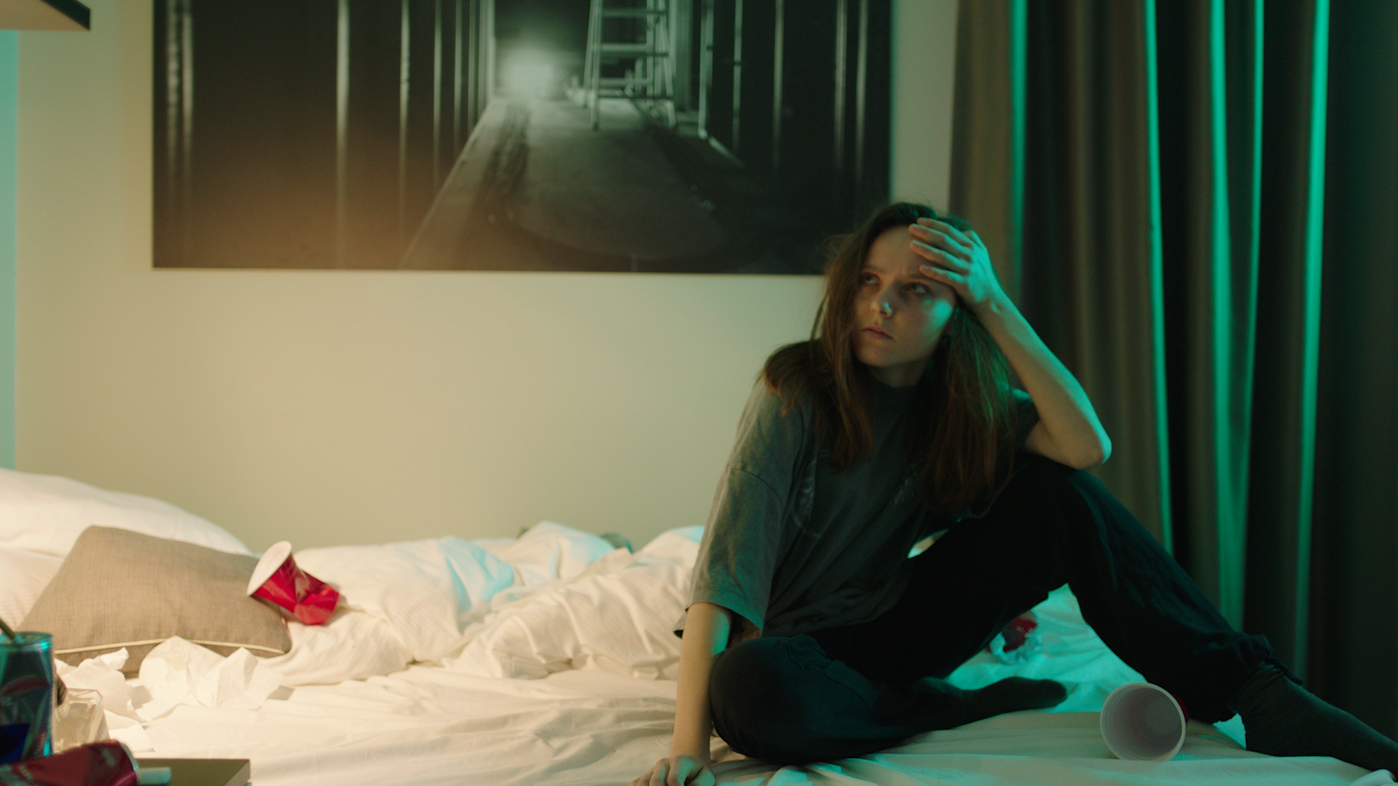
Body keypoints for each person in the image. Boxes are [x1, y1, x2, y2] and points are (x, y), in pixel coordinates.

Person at [631, 202, 1398, 786]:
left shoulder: (962, 408)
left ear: (955, 311)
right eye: (868, 281)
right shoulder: (793, 388)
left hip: (896, 628)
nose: (881, 305)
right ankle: (950, 704)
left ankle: (1256, 693)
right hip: (792, 654)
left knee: (1057, 494)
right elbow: (722, 581)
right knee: (746, 690)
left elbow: (1085, 447)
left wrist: (993, 298)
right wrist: (689, 749)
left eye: (915, 289)